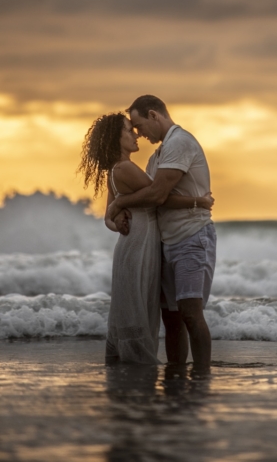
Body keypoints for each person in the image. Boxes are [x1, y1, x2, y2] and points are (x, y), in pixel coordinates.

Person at [78, 112, 214, 364]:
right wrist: (198, 201)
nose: (135, 134)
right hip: (140, 245)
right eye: (129, 130)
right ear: (115, 138)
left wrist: (117, 219)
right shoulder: (126, 168)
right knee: (140, 304)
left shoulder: (114, 170)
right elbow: (158, 196)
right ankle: (140, 361)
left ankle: (128, 359)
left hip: (130, 244)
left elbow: (108, 215)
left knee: (133, 303)